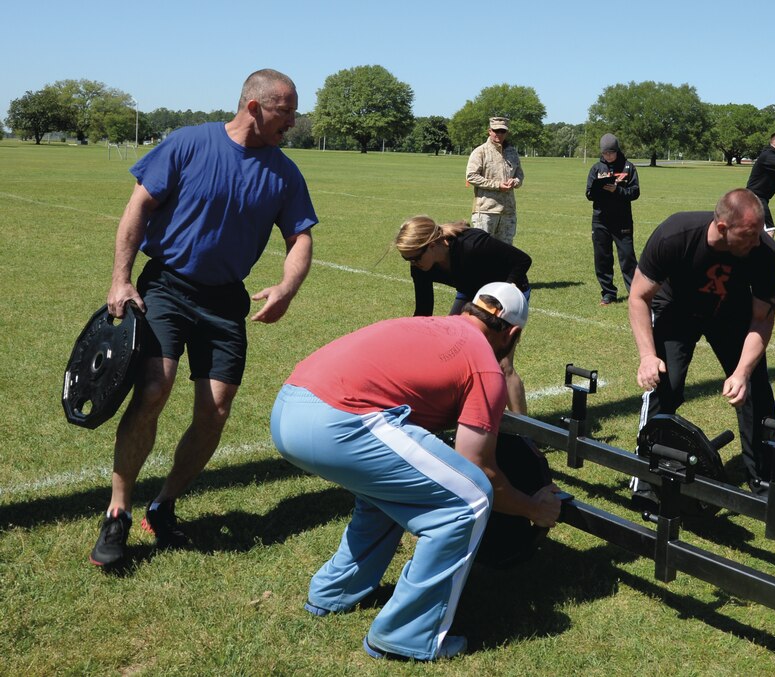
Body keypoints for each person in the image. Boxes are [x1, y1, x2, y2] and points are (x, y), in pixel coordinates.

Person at [89, 69, 318, 567]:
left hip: (224, 300)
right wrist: (120, 278)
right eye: (287, 111)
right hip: (167, 285)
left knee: (214, 411)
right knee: (153, 389)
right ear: (255, 107)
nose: (294, 122)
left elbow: (300, 236)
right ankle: (118, 512)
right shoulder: (189, 144)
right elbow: (139, 207)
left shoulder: (284, 172)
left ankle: (163, 505)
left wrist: (287, 286)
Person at [270, 282, 562, 661]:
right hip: (337, 421)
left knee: (405, 490)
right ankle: (408, 636)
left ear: (470, 310)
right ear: (514, 333)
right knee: (467, 500)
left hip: (288, 406)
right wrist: (532, 509)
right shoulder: (486, 366)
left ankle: (335, 593)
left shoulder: (430, 325)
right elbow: (479, 468)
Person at [629, 189, 775, 496]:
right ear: (723, 228)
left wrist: (741, 372)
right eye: (749, 235)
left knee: (755, 389)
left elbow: (762, 319)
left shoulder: (764, 252)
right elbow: (638, 296)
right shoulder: (676, 235)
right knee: (663, 383)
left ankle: (764, 480)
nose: (757, 240)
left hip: (731, 314)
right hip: (677, 309)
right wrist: (647, 355)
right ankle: (647, 475)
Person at [395, 215, 532, 413]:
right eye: (407, 259)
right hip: (471, 287)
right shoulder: (421, 266)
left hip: (506, 291)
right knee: (450, 349)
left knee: (502, 363)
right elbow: (424, 310)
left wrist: (507, 289)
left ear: (432, 245)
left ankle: (523, 434)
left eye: (415, 257)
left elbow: (522, 260)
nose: (412, 263)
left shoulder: (473, 245)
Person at [586, 133, 640, 305]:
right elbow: (589, 193)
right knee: (602, 258)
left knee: (627, 258)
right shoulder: (596, 168)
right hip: (600, 220)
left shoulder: (628, 167)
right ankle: (608, 293)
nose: (608, 156)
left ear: (617, 150)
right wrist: (598, 190)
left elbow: (635, 192)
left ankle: (635, 293)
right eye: (605, 153)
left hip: (622, 220)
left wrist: (617, 190)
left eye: (611, 152)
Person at [466, 116, 524, 245]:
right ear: (489, 131)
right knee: (482, 251)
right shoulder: (480, 152)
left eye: (502, 131)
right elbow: (471, 176)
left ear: (507, 133)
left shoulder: (512, 152)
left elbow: (520, 175)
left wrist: (515, 181)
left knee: (505, 252)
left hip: (508, 211)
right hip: (486, 211)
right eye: (496, 130)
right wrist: (497, 185)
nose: (499, 134)